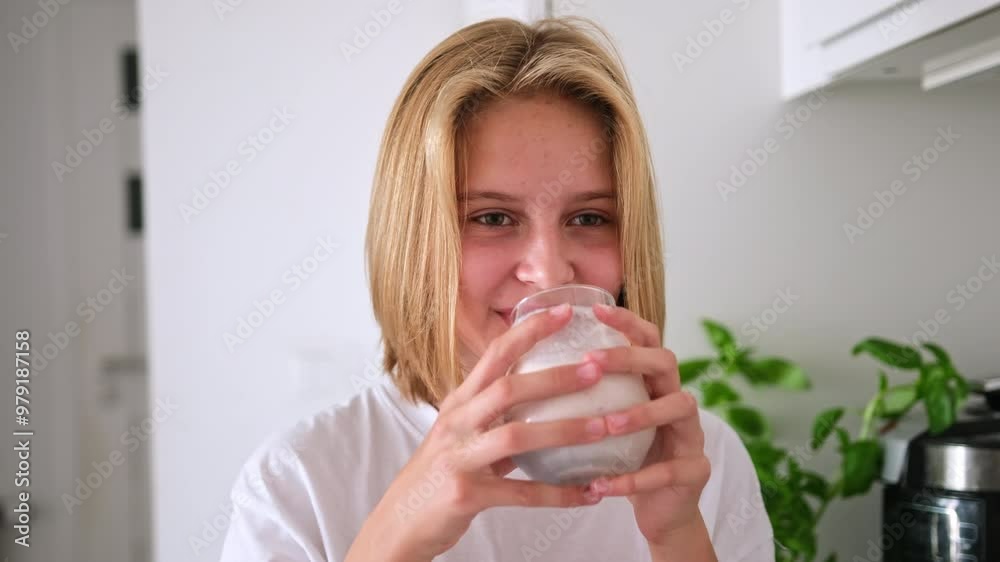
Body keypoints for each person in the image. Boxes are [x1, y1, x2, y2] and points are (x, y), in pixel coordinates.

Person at [219, 16, 774, 562]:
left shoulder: (702, 461)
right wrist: (396, 538)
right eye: (491, 218)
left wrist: (678, 539)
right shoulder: (299, 482)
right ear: (415, 242)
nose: (551, 273)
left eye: (588, 219)